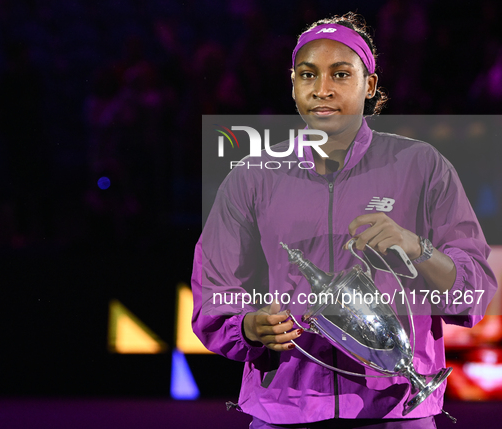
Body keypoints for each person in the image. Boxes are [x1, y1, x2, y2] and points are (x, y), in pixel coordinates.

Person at [191, 13, 498, 429]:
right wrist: (247, 327)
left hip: (396, 409)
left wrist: (417, 248)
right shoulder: (251, 175)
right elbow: (215, 294)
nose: (322, 90)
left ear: (369, 85)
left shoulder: (421, 165)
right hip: (286, 406)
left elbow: (474, 290)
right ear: (294, 85)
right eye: (308, 75)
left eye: (340, 74)